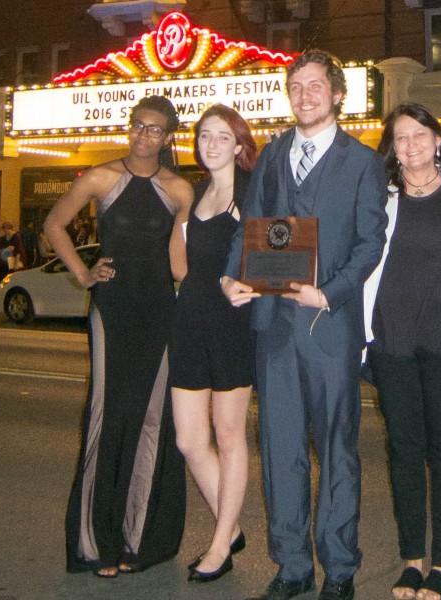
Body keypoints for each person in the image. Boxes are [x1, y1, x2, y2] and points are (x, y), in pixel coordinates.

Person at [221, 49, 387, 600]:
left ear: (337, 95)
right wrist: (230, 276)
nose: (305, 95)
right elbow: (251, 223)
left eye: (315, 86)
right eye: (296, 87)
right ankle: (292, 566)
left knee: (337, 449)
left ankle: (339, 569)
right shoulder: (271, 155)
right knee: (280, 447)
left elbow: (369, 244)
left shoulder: (363, 162)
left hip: (329, 327)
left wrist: (331, 292)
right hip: (272, 326)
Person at [45, 95, 192, 578]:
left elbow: (179, 263)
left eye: (155, 130)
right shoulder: (100, 177)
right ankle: (97, 542)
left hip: (160, 314)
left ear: (168, 137)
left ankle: (138, 539)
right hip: (112, 310)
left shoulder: (179, 190)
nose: (144, 136)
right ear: (129, 128)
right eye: (138, 126)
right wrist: (83, 274)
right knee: (106, 415)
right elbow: (54, 224)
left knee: (152, 420)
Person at [362, 103, 441, 600]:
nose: (409, 145)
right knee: (405, 449)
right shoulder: (380, 196)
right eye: (399, 138)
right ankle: (412, 558)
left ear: (437, 138)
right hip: (393, 339)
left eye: (418, 134)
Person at [169, 104, 257, 584]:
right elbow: (183, 263)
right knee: (188, 439)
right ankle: (233, 524)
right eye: (205, 134)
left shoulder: (250, 192)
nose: (212, 143)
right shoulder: (197, 193)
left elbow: (274, 251)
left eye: (223, 136)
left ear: (240, 144)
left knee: (227, 436)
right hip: (190, 321)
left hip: (231, 325)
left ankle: (221, 543)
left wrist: (250, 284)